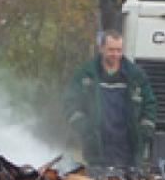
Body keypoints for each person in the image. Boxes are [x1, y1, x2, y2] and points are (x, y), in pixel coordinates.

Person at [64, 29, 158, 169]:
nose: (115, 54)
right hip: (97, 148)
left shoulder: (135, 76)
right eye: (111, 50)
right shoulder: (86, 75)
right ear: (101, 48)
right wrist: (85, 128)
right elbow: (70, 103)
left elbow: (150, 103)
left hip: (128, 150)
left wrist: (145, 130)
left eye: (119, 50)